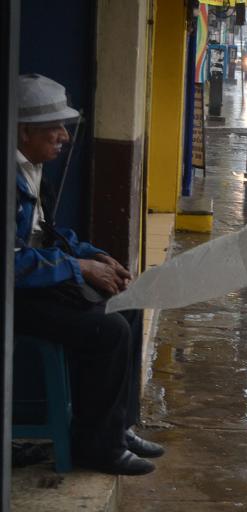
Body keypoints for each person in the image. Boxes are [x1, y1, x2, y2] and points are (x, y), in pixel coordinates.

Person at [14, 74, 164, 475]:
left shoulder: (32, 167)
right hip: (15, 295)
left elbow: (46, 234)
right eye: (54, 128)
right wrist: (78, 267)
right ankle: (97, 449)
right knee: (109, 330)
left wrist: (93, 254)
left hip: (33, 285)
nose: (63, 136)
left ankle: (117, 427)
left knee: (127, 306)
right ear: (24, 132)